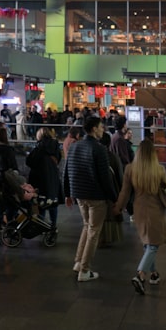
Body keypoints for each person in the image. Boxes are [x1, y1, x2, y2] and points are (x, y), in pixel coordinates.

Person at [114, 138, 166, 295]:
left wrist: (118, 207)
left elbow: (125, 192)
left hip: (139, 210)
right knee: (153, 245)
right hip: (155, 210)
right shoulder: (159, 170)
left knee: (148, 244)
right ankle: (140, 275)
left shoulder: (130, 169)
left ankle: (153, 274)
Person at [63, 115, 118, 282]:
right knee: (94, 231)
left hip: (79, 194)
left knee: (87, 227)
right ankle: (85, 270)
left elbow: (66, 171)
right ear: (94, 128)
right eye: (101, 127)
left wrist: (67, 193)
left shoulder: (74, 147)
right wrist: (114, 198)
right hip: (96, 196)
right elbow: (105, 178)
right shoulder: (99, 149)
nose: (103, 130)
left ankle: (78, 262)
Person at [26, 127, 62, 229]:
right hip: (53, 177)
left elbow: (29, 161)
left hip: (39, 178)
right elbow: (58, 159)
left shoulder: (39, 146)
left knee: (41, 201)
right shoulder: (55, 146)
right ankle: (53, 224)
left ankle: (42, 224)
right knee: (53, 202)